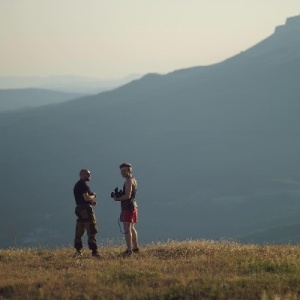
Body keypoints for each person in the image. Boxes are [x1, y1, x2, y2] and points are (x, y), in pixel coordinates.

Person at [113, 162, 139, 256]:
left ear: (129, 171)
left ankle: (129, 250)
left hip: (128, 207)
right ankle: (135, 247)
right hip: (134, 206)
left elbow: (127, 196)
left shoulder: (128, 181)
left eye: (124, 171)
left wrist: (117, 198)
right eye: (121, 171)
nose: (122, 173)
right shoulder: (134, 180)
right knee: (132, 228)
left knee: (127, 229)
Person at [73, 168, 100, 257]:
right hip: (86, 209)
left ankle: (78, 250)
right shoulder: (83, 185)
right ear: (82, 175)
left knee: (80, 228)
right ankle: (94, 251)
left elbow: (82, 199)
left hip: (79, 208)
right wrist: (93, 196)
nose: (89, 176)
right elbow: (86, 198)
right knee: (91, 229)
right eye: (87, 174)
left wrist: (91, 202)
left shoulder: (77, 185)